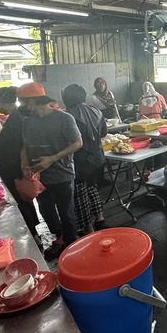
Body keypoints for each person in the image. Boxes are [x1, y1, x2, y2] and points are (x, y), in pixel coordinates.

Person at [17, 82, 82, 260]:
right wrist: (24, 165)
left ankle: (71, 245)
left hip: (62, 174)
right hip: (38, 177)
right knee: (46, 211)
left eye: (22, 102)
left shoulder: (64, 118)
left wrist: (52, 158)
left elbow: (77, 143)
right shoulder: (27, 121)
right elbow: (24, 146)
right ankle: (59, 239)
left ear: (33, 101)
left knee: (66, 212)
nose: (21, 106)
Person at [0, 87, 41, 246]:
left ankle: (33, 235)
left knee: (22, 202)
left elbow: (22, 144)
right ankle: (33, 232)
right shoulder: (13, 117)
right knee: (23, 201)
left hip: (15, 169)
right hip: (11, 168)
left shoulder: (18, 119)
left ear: (4, 102)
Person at [61, 84, 107, 235]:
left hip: (81, 159)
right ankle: (100, 217)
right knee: (92, 187)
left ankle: (88, 228)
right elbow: (104, 132)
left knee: (80, 193)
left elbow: (68, 139)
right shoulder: (96, 110)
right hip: (98, 156)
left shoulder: (69, 115)